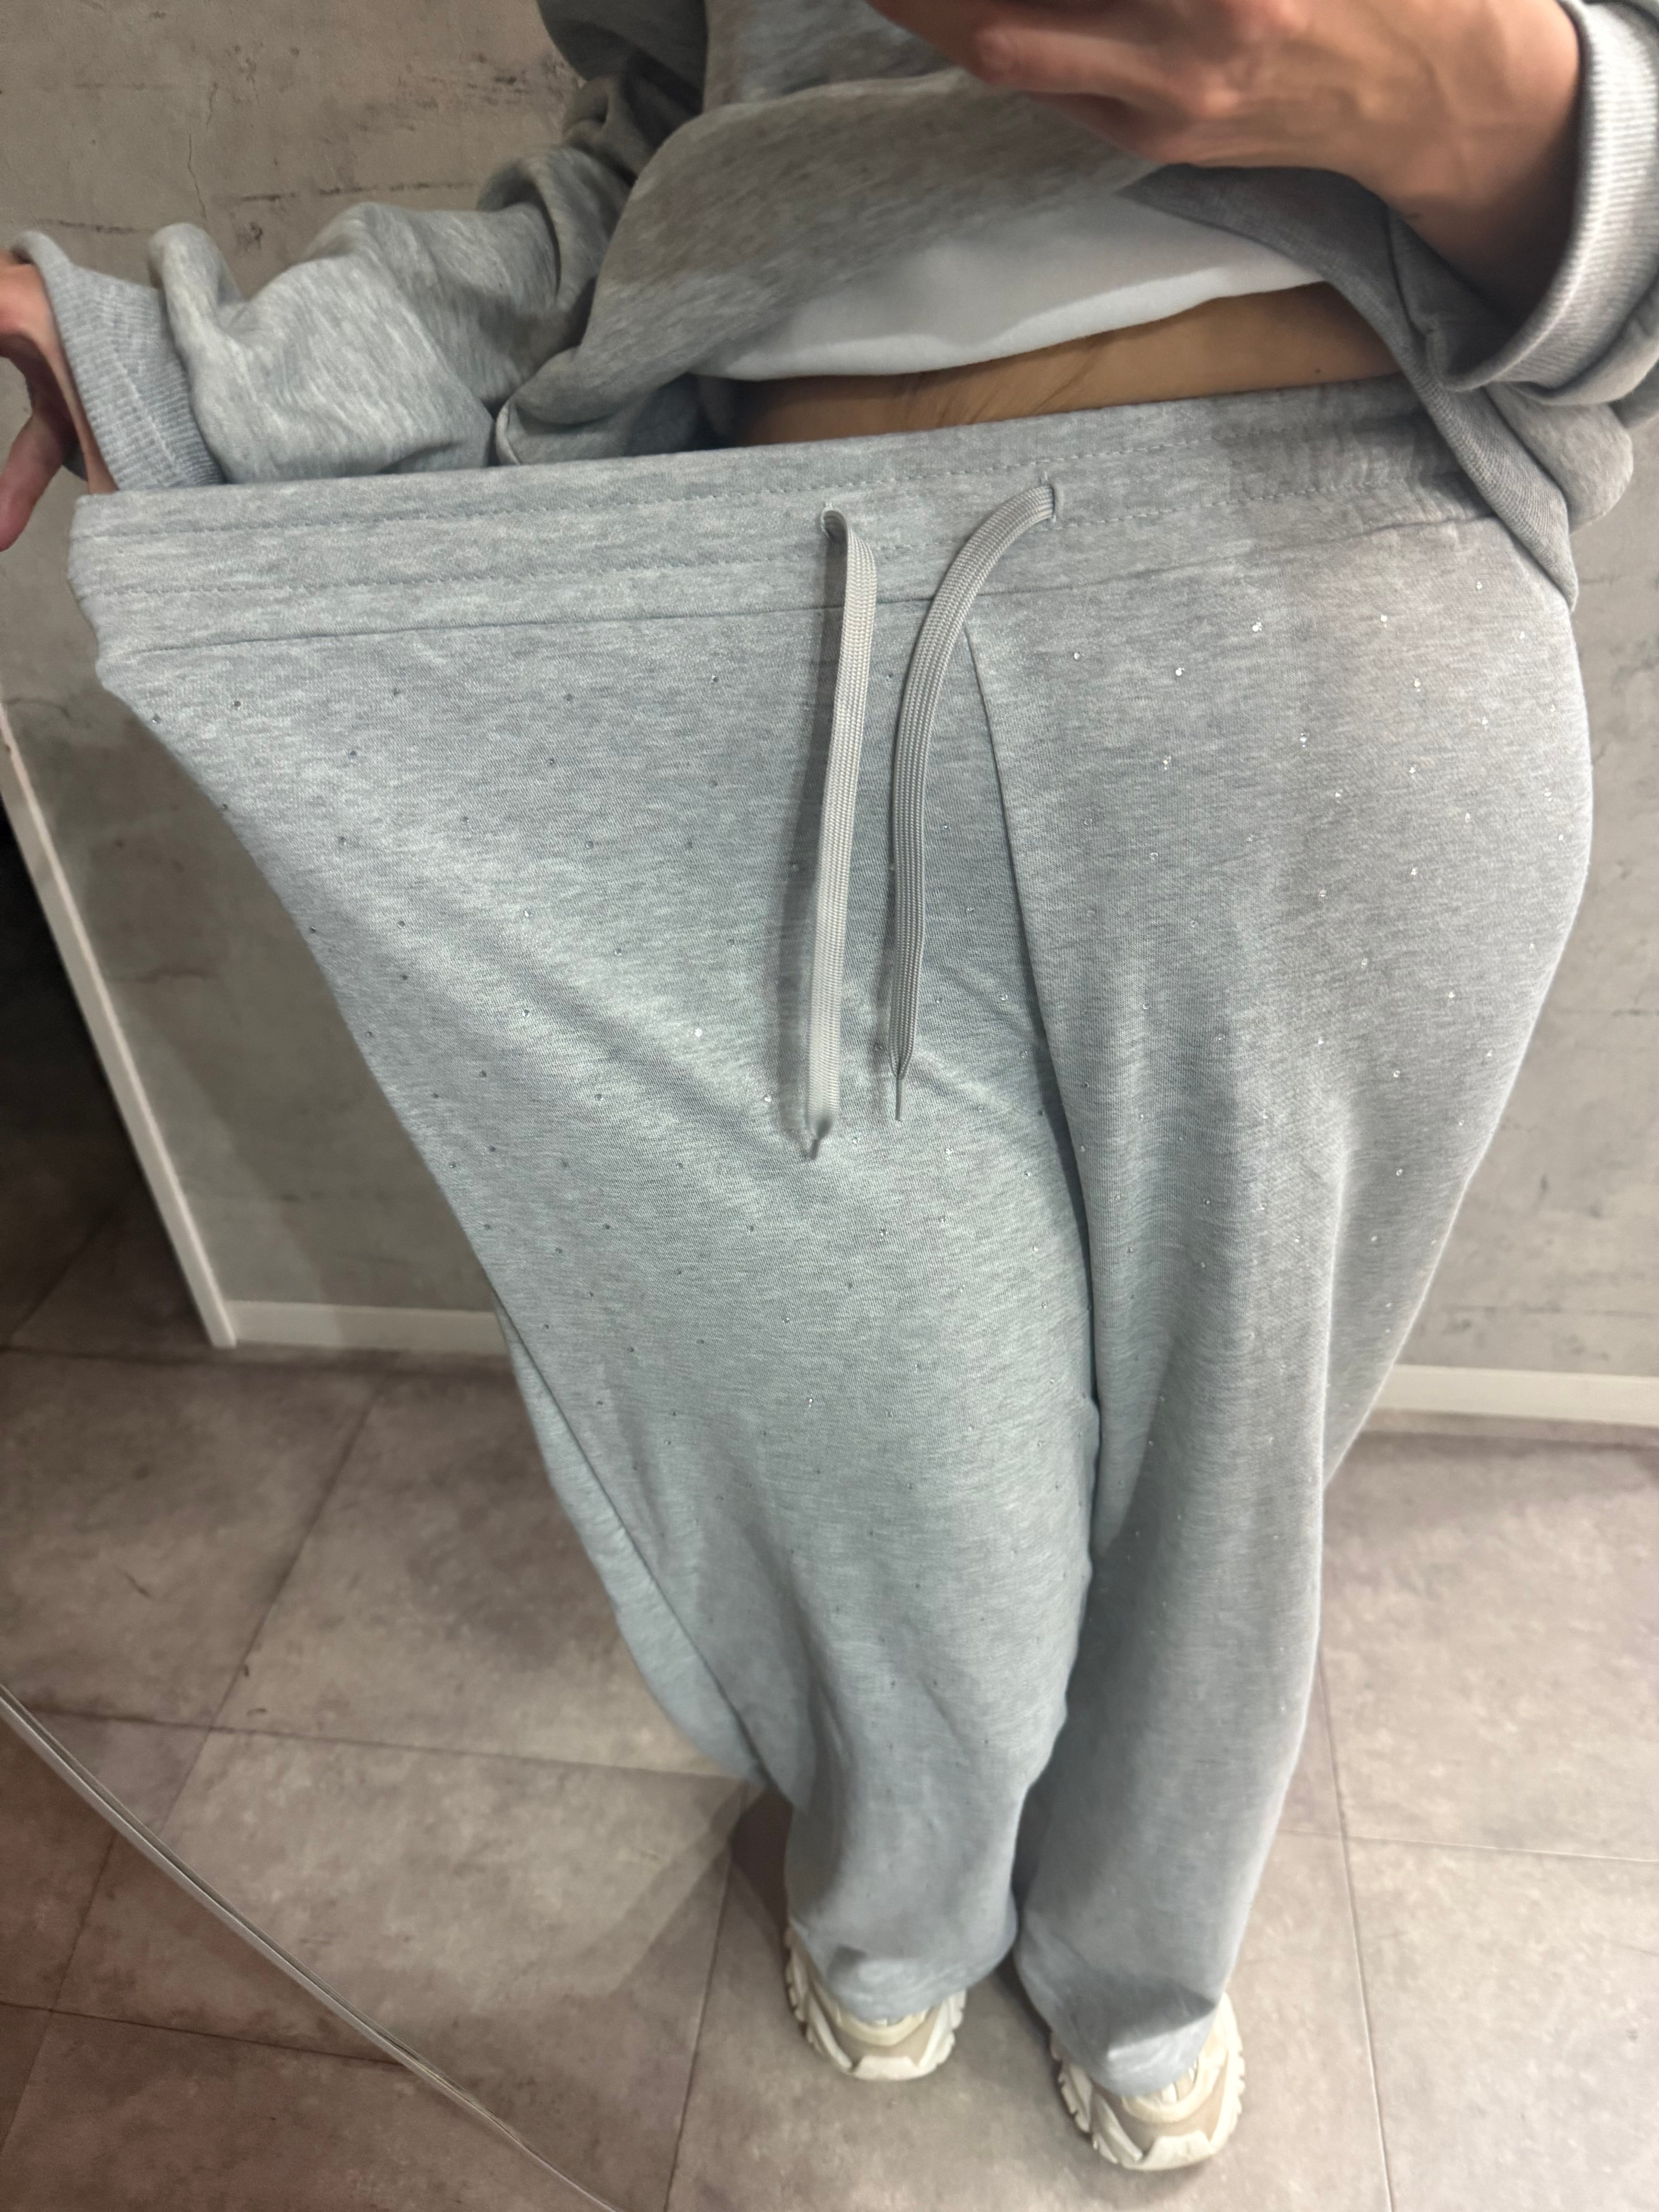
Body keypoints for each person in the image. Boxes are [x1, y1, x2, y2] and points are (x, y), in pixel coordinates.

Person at [3, 0, 1655, 2176]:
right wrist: (156, 360)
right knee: (881, 1459)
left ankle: (1143, 1946)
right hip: (774, 636)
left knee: (1225, 1466)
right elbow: (646, 186)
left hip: (1335, 614)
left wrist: (1474, 86)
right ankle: (902, 1887)